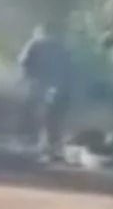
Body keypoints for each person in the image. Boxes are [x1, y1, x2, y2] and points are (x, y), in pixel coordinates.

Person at [17, 23, 72, 153]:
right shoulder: (58, 46)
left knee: (41, 113)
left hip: (42, 84)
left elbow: (23, 62)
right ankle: (49, 141)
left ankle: (41, 141)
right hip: (51, 85)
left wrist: (25, 77)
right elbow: (68, 66)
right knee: (50, 115)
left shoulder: (35, 44)